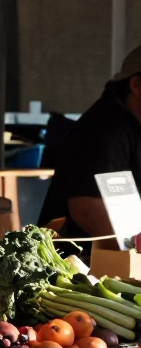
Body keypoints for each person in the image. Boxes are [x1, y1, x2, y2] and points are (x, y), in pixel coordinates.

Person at [39, 46, 141, 239]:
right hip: (80, 260)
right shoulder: (105, 129)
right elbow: (86, 207)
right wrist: (133, 256)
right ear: (136, 84)